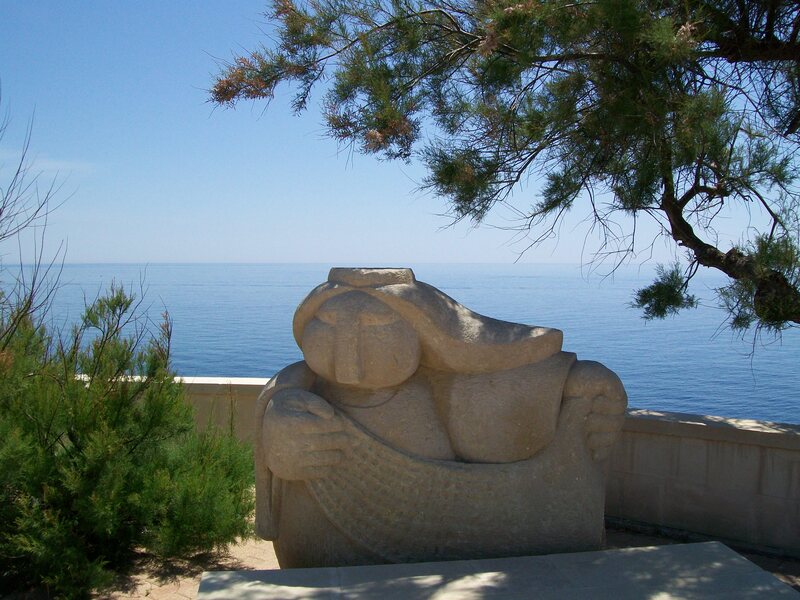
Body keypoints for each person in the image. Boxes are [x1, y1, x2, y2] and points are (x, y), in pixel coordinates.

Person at [256, 268, 627, 567]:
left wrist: (578, 383)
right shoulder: (302, 391)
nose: (349, 360)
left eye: (374, 327)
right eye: (329, 323)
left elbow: (514, 379)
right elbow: (285, 385)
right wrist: (278, 415)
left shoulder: (449, 385)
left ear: (427, 333)